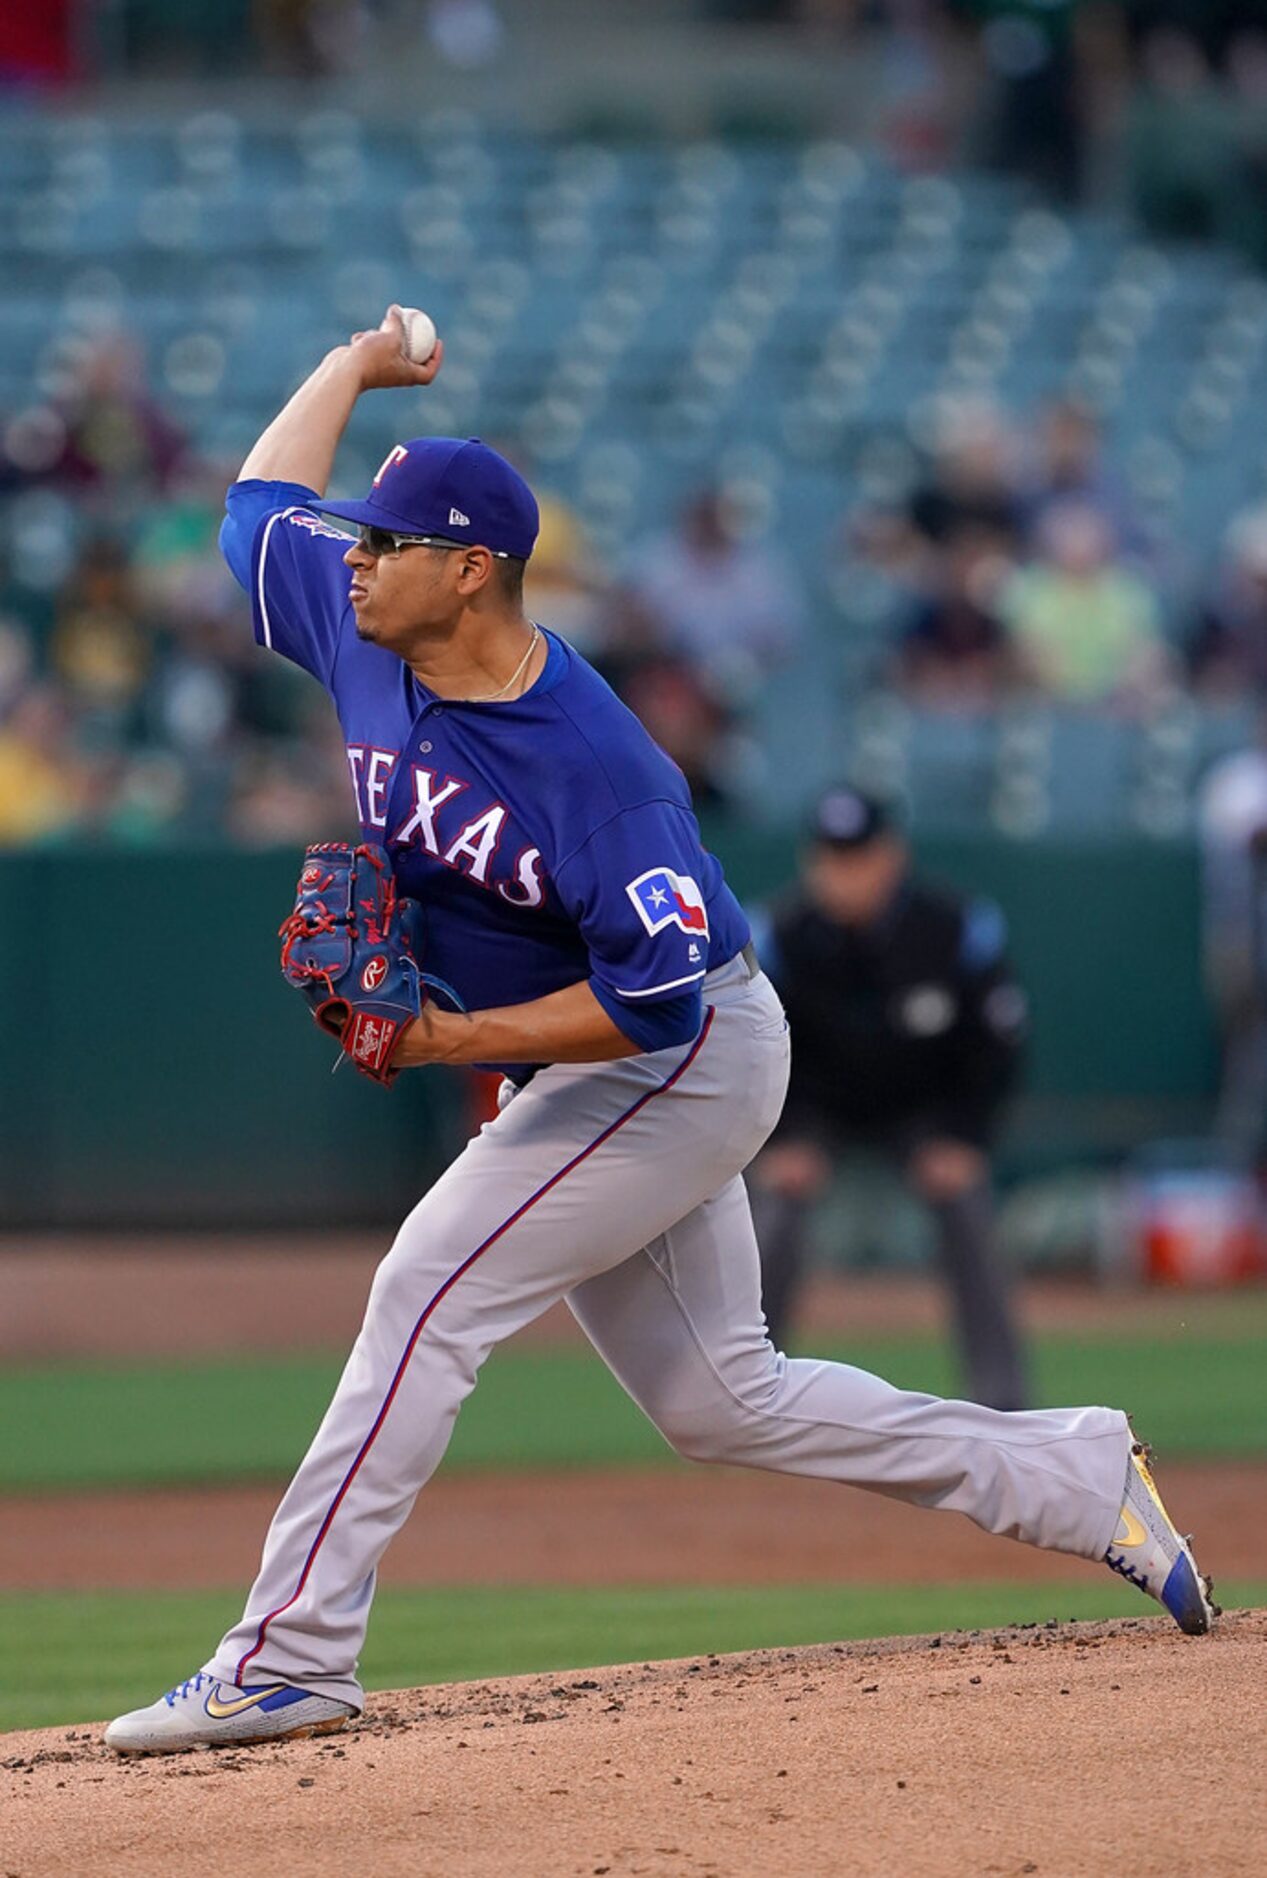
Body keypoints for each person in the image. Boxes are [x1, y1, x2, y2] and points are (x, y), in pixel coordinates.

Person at [103, 308, 1215, 1756]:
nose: (353, 556)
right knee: (719, 1397)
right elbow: (255, 511)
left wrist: (459, 1044)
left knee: (424, 1290)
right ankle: (1075, 1478)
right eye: (359, 540)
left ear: (471, 570)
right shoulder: (361, 618)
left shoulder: (600, 768)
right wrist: (349, 368)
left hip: (682, 1057)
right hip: (598, 1062)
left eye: (385, 542)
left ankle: (289, 1654)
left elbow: (654, 1002)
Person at [749, 786, 1029, 1412]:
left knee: (967, 1207)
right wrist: (784, 1136)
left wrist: (965, 1136)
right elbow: (745, 1049)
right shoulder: (776, 934)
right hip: (813, 1107)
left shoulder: (954, 927)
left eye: (857, 857)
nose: (842, 875)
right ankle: (747, 1393)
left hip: (923, 1107)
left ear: (890, 857)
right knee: (770, 1212)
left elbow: (998, 1045)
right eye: (829, 858)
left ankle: (1002, 1398)